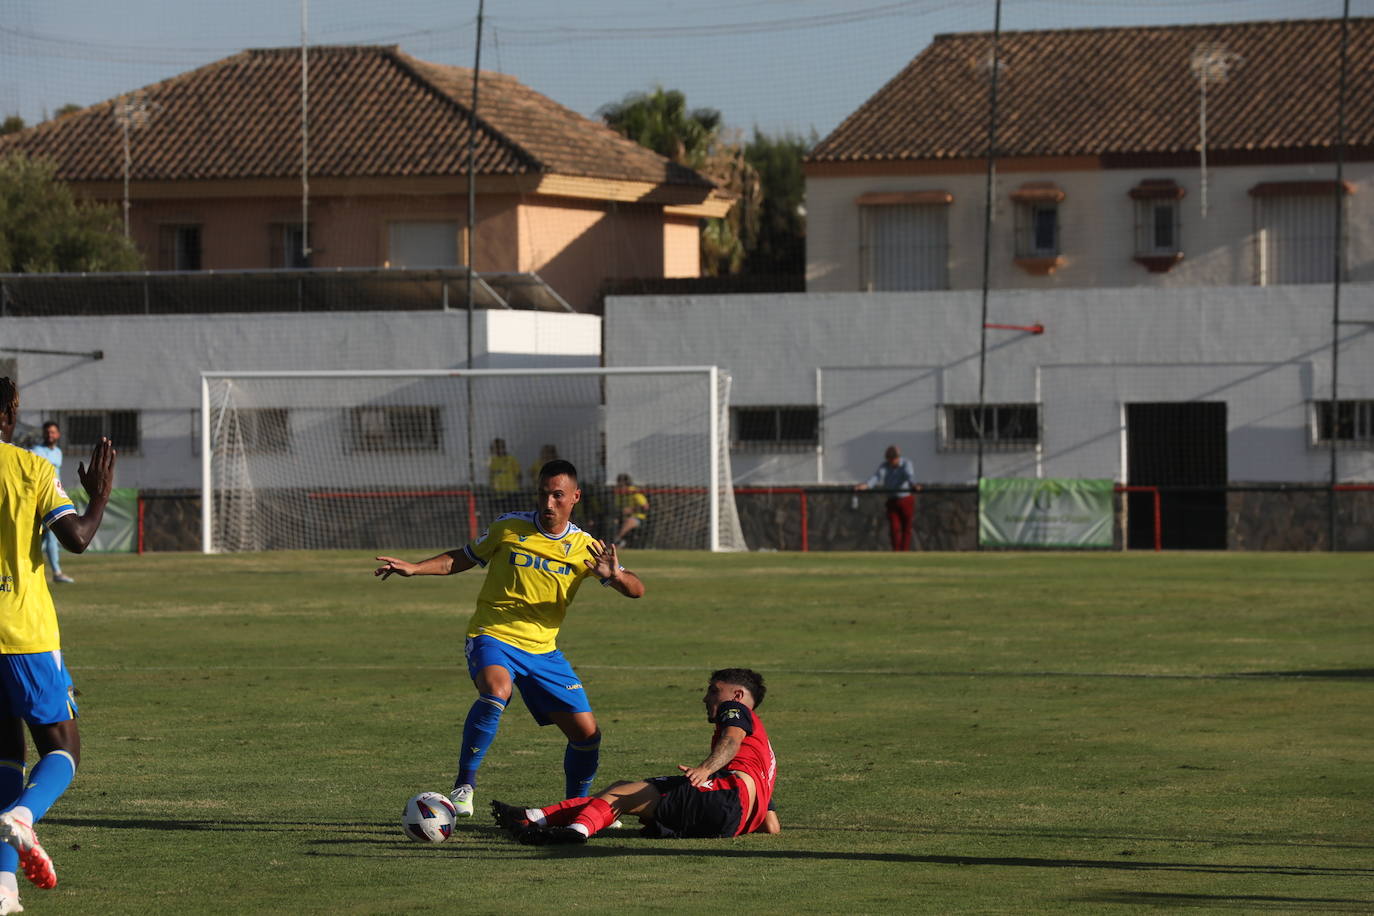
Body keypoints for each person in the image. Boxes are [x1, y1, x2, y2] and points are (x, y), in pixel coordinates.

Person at [374, 459, 645, 819]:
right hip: (493, 633)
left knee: (587, 737)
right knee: (496, 691)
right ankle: (463, 788)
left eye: (558, 496)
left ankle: (577, 808)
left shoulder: (585, 546)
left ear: (575, 497)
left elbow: (637, 590)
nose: (548, 503)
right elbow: (464, 557)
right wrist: (415, 567)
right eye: (543, 494)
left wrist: (614, 576)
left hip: (543, 652)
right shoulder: (508, 527)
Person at [0, 378, 116, 912]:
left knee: (4, 755)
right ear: (7, 417)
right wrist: (100, 496)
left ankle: (2, 888)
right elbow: (78, 538)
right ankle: (25, 816)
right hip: (23, 633)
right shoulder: (31, 468)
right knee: (62, 748)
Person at [491, 667, 779, 845]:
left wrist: (705, 769)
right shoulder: (765, 753)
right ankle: (532, 817)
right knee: (623, 792)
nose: (706, 697)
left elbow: (731, 741)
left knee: (620, 793)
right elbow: (771, 826)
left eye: (714, 691)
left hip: (727, 796)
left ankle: (573, 833)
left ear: (738, 695)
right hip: (731, 820)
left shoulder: (737, 711)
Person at [27, 423, 74, 585]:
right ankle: (54, 572)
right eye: (47, 432)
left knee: (48, 537)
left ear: (58, 434)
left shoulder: (58, 453)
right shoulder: (36, 452)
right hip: (40, 500)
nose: (50, 435)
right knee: (43, 537)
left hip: (53, 499)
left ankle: (53, 572)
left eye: (53, 432)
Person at [855, 444, 919, 552]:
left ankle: (905, 552)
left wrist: (914, 485)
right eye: (888, 460)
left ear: (897, 458)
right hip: (892, 500)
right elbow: (876, 477)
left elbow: (909, 476)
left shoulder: (906, 464)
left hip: (905, 499)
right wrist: (866, 485)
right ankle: (896, 551)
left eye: (891, 460)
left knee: (906, 527)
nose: (890, 462)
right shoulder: (885, 466)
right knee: (894, 527)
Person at [613, 473, 649, 547]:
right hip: (623, 517)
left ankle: (617, 540)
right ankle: (620, 542)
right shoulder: (619, 493)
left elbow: (645, 507)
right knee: (613, 521)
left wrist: (631, 510)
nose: (618, 485)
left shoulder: (634, 492)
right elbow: (617, 507)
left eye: (621, 483)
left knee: (629, 521)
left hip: (638, 517)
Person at [487, 437, 522, 514]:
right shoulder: (492, 461)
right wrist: (492, 488)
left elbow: (519, 474)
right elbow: (491, 476)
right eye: (496, 447)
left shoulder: (511, 459)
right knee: (502, 514)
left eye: (500, 447)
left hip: (511, 492)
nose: (498, 449)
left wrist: (519, 487)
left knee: (512, 513)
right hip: (498, 493)